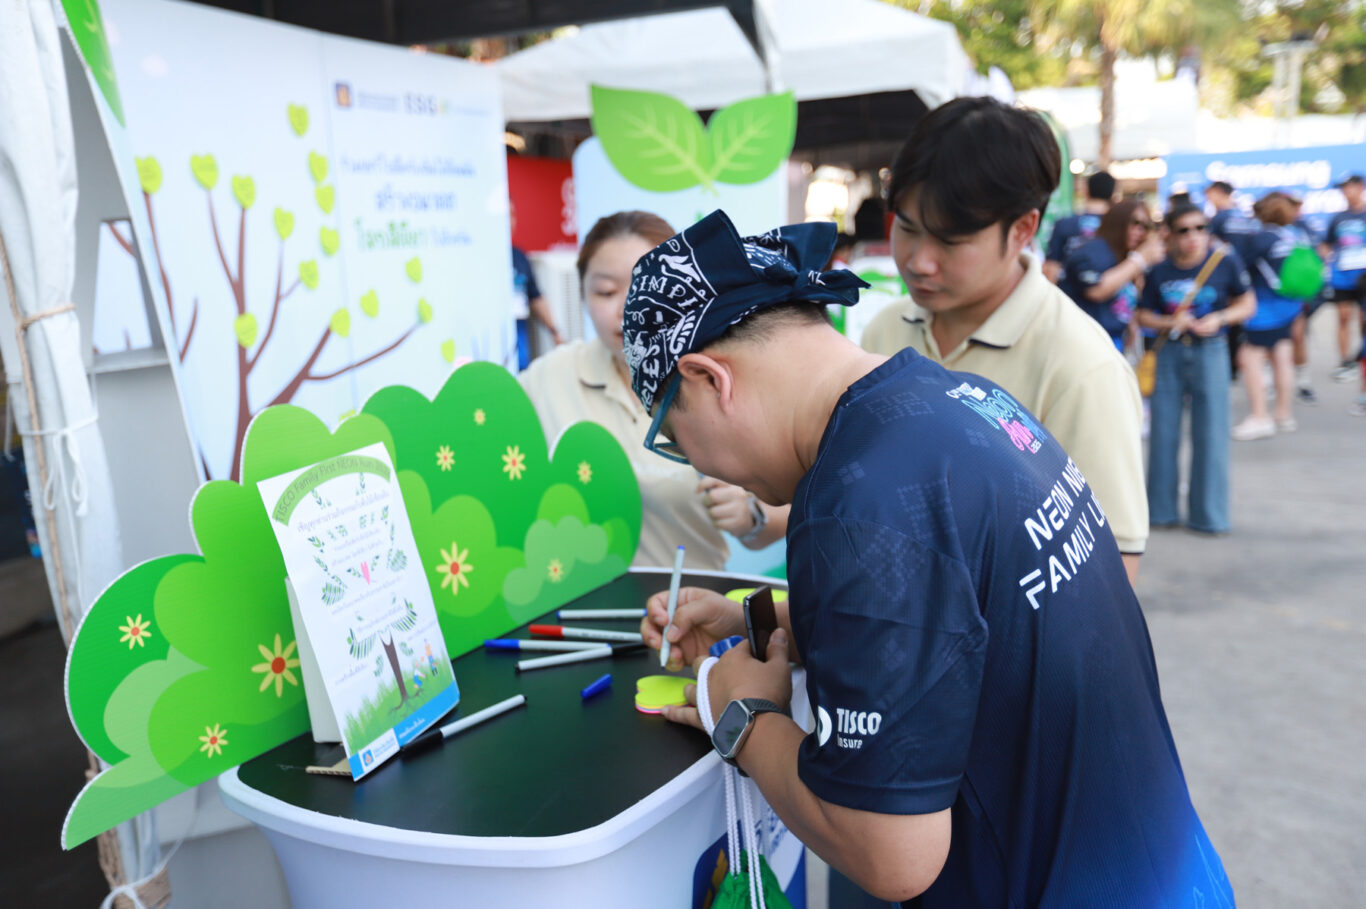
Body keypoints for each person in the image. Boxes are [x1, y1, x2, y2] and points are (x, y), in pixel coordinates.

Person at [625, 209, 1233, 906]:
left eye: (676, 437)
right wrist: (756, 617)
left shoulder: (856, 502)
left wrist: (745, 716)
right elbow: (967, 618)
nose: (699, 463)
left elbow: (891, 853)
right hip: (1169, 870)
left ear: (709, 378)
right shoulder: (958, 398)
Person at [860, 97, 1148, 584]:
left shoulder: (1081, 367)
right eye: (907, 229)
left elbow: (1112, 568)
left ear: (1022, 230)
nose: (919, 261)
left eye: (950, 241)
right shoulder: (885, 330)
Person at [519, 211, 783, 571]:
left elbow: (793, 503)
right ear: (582, 294)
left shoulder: (718, 377)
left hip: (692, 601)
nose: (627, 309)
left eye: (644, 288)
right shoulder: (548, 377)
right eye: (606, 291)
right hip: (581, 601)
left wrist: (752, 516)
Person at [1136, 202, 1255, 533]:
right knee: (1163, 433)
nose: (1194, 236)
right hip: (1170, 351)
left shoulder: (1223, 262)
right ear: (1170, 235)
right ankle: (1160, 511)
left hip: (1211, 350)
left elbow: (1247, 303)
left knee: (1212, 433)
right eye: (1184, 230)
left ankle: (1209, 515)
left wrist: (1219, 318)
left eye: (1201, 228)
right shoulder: (1159, 270)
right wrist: (1169, 321)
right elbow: (1142, 315)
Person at [1233, 192, 1313, 440]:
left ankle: (1260, 417)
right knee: (1282, 355)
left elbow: (1240, 266)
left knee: (1249, 356)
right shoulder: (1295, 234)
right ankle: (1283, 414)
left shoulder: (1261, 238)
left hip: (1264, 309)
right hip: (1290, 305)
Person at [1060, 199, 1165, 352]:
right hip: (1084, 343)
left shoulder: (1123, 257)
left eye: (1146, 226)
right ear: (1118, 221)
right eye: (1135, 223)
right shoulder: (1093, 251)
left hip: (1113, 342)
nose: (1140, 231)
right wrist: (1140, 259)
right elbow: (1096, 290)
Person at [1319, 173, 1366, 384]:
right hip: (1342, 277)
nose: (1346, 192)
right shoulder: (1338, 218)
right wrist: (1326, 259)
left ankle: (1361, 357)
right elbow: (1326, 244)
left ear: (1360, 187)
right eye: (1343, 188)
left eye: (1349, 187)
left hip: (1364, 276)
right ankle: (1345, 361)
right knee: (1344, 317)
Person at [509, 202, 564, 370]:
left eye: (512, 215)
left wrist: (555, 332)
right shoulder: (481, 259)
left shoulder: (519, 257)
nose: (509, 220)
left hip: (519, 333)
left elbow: (535, 296)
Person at [1042, 170, 1115, 283]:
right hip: (1110, 290)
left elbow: (1051, 270)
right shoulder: (1118, 226)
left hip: (1067, 291)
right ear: (1113, 195)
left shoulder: (1064, 224)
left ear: (1086, 191)